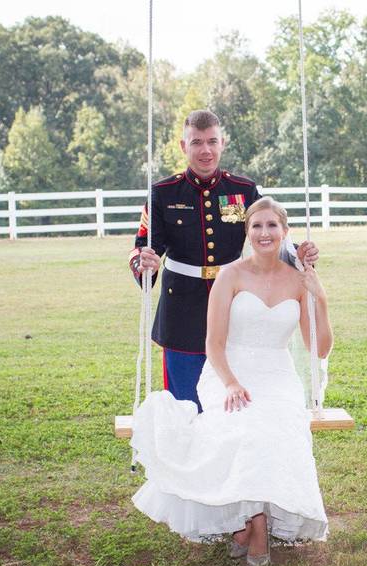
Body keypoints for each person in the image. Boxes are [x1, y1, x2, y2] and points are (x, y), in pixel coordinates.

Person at [129, 196, 332, 566]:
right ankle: (256, 526)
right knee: (247, 428)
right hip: (228, 370)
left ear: (285, 232)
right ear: (247, 231)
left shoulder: (298, 280)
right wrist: (232, 383)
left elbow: (319, 348)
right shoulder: (231, 275)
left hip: (278, 374)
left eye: (272, 226)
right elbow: (214, 344)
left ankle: (251, 527)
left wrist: (320, 296)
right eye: (257, 226)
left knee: (278, 427)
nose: (264, 233)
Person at [129, 109, 318, 409]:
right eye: (197, 142)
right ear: (183, 146)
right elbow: (141, 248)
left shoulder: (243, 190)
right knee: (186, 408)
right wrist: (145, 263)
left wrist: (299, 254)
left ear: (222, 143)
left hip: (238, 313)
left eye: (212, 141)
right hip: (182, 313)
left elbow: (270, 234)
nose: (205, 150)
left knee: (231, 408)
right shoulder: (163, 193)